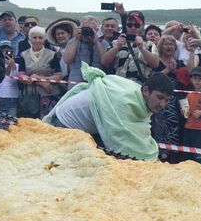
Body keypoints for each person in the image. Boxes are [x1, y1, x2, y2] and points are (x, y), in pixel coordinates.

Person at [44, 67, 172, 161]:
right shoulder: (124, 101)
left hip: (81, 129)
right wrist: (150, 158)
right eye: (159, 97)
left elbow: (139, 135)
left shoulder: (136, 95)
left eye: (167, 100)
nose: (162, 104)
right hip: (62, 126)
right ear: (145, 91)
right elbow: (126, 144)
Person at [15, 26, 62, 118]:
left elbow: (58, 76)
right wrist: (41, 83)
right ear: (30, 39)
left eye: (40, 38)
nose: (37, 40)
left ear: (44, 40)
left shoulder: (52, 55)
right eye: (34, 37)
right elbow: (21, 76)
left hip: (49, 96)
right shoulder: (23, 55)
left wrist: (40, 79)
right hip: (29, 97)